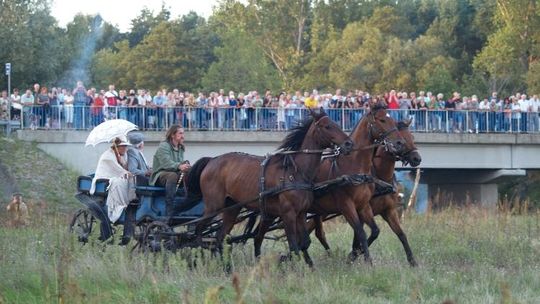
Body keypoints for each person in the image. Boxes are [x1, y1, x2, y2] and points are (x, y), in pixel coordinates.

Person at [91, 136, 137, 242]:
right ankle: (118, 207)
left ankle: (130, 202)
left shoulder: (122, 156)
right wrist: (127, 172)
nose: (125, 148)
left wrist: (125, 166)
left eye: (125, 146)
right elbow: (119, 171)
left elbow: (125, 169)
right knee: (119, 183)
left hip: (114, 178)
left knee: (127, 182)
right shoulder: (108, 157)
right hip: (103, 181)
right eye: (123, 146)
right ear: (117, 146)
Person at [150, 125, 191, 216]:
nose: (183, 136)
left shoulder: (180, 148)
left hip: (175, 172)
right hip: (160, 175)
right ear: (172, 135)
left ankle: (187, 201)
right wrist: (180, 166)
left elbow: (179, 164)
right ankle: (169, 207)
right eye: (180, 133)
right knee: (172, 176)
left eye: (183, 133)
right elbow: (166, 164)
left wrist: (185, 167)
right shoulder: (164, 146)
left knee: (191, 173)